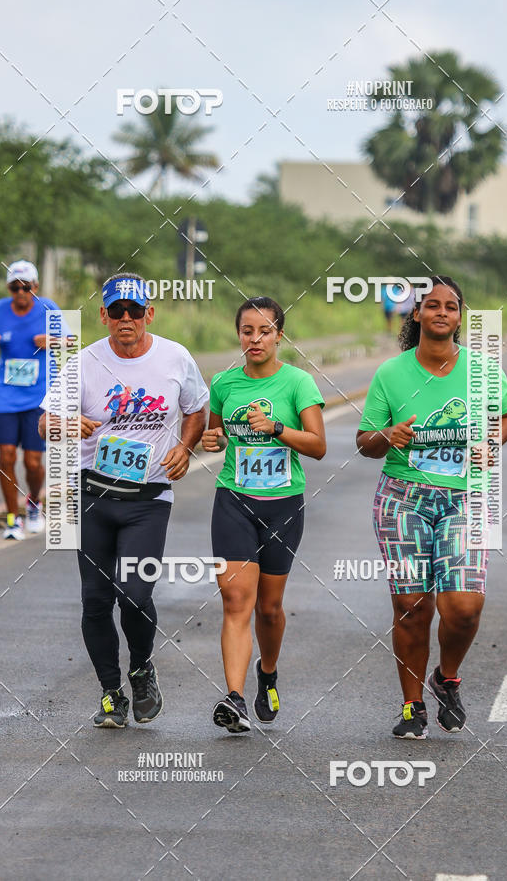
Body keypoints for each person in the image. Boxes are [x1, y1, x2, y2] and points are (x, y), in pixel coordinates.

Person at [39, 272, 208, 729]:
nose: (126, 319)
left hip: (149, 498)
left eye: (135, 311)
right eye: (117, 311)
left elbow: (196, 407)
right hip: (91, 495)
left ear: (149, 313)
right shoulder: (82, 363)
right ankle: (111, 691)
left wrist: (185, 447)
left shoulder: (175, 357)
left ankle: (141, 669)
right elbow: (45, 422)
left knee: (134, 594)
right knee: (95, 599)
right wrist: (66, 425)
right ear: (104, 315)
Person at [356, 276, 507, 739]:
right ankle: (412, 707)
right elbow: (364, 442)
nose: (442, 312)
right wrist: (389, 435)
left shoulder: (484, 371)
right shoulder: (392, 373)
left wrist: (492, 441)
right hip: (403, 497)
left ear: (460, 316)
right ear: (417, 314)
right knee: (411, 604)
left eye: (451, 306)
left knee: (464, 608)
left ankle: (446, 679)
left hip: (466, 496)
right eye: (432, 305)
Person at [202, 296, 326, 733]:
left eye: (265, 331)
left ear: (280, 335)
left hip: (283, 505)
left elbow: (318, 446)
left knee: (269, 609)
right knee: (236, 600)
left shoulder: (298, 384)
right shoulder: (223, 383)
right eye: (247, 331)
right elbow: (213, 434)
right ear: (239, 334)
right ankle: (234, 698)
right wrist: (212, 442)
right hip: (233, 498)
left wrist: (277, 428)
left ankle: (267, 673)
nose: (255, 339)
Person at [0, 260, 62, 540]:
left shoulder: (48, 308)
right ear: (9, 288)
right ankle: (11, 518)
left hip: (37, 395)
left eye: (25, 287)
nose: (20, 293)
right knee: (5, 456)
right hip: (5, 392)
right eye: (14, 287)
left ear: (36, 287)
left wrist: (51, 340)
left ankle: (33, 503)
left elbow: (69, 341)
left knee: (31, 462)